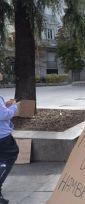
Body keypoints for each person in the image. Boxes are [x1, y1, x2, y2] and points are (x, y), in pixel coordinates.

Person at [0, 72, 19, 204]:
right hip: (2, 137)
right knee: (10, 154)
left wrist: (4, 105)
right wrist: (13, 107)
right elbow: (3, 115)